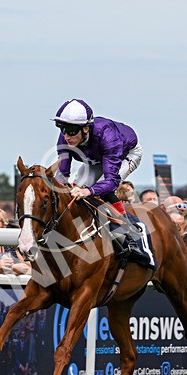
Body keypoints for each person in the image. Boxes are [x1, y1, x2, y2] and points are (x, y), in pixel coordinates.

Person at [53, 99, 143, 258]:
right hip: (96, 158)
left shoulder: (108, 137)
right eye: (62, 128)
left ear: (86, 128)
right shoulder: (64, 138)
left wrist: (88, 191)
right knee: (73, 193)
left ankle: (128, 232)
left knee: (101, 191)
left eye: (71, 130)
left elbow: (111, 181)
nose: (66, 136)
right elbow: (62, 175)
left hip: (125, 155)